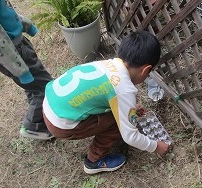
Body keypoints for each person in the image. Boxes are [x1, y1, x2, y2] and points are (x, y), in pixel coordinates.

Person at [42, 30, 170, 174]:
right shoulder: (124, 89)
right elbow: (130, 136)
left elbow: (103, 93)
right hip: (60, 125)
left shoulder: (108, 64)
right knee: (118, 122)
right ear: (145, 70)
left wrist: (130, 108)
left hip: (48, 105)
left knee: (118, 113)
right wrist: (155, 146)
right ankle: (94, 161)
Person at [0, 0, 54, 140]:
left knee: (33, 85)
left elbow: (7, 12)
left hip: (17, 46)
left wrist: (27, 25)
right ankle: (33, 126)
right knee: (44, 87)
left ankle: (41, 113)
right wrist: (21, 71)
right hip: (11, 53)